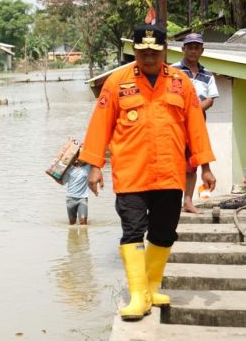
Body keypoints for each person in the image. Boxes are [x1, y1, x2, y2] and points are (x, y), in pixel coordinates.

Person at [79, 24, 216, 322]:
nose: (149, 58)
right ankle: (137, 295)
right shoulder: (118, 82)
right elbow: (99, 125)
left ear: (165, 51)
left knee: (164, 233)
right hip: (131, 174)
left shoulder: (180, 83)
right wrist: (94, 167)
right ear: (135, 51)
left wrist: (205, 166)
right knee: (132, 231)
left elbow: (195, 127)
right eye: (143, 52)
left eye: (154, 52)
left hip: (169, 173)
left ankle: (152, 288)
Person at [171, 33, 220, 213]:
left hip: (197, 124)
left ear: (201, 50)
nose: (192, 50)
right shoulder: (172, 70)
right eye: (189, 47)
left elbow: (210, 99)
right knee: (173, 162)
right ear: (183, 49)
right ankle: (171, 202)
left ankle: (188, 201)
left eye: (196, 47)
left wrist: (194, 111)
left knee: (192, 163)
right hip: (175, 124)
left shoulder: (207, 74)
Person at [57, 158, 91, 225]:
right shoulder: (69, 168)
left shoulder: (88, 167)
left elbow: (97, 165)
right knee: (72, 223)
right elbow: (62, 182)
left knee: (83, 222)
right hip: (70, 198)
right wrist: (53, 176)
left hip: (83, 198)